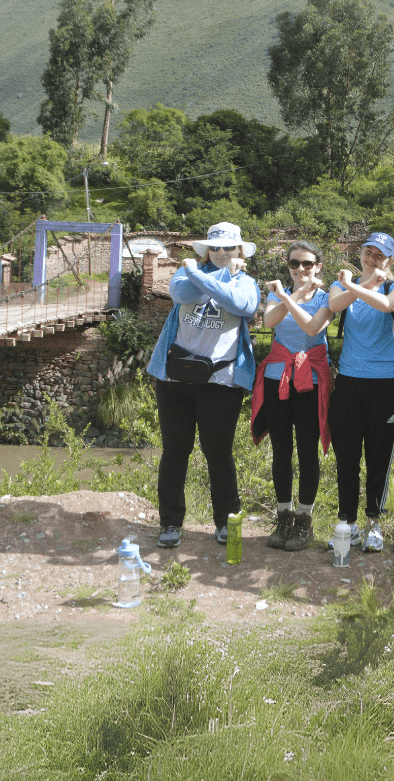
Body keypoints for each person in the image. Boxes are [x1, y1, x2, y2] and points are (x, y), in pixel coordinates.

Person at [148, 222, 261, 549]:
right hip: (175, 379)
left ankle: (227, 522)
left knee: (219, 454)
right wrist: (218, 274)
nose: (223, 253)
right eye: (216, 248)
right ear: (207, 250)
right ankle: (170, 522)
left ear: (240, 250)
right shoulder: (185, 275)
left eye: (229, 248)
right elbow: (182, 294)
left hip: (221, 381)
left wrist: (218, 275)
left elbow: (243, 306)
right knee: (175, 452)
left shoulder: (247, 283)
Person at [325, 231, 394, 554]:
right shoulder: (340, 286)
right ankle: (348, 524)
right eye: (369, 253)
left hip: (386, 381)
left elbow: (390, 305)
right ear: (360, 254)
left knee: (379, 453)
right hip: (349, 380)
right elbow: (335, 304)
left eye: (380, 256)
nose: (373, 260)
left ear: (389, 261)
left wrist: (359, 285)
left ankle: (374, 522)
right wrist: (355, 286)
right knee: (346, 455)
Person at [250, 240, 332, 553]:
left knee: (307, 451)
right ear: (288, 267)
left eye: (307, 264)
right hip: (277, 379)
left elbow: (312, 330)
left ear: (318, 266)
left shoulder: (327, 297)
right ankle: (283, 515)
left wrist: (287, 295)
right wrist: (292, 293)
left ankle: (304, 519)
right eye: (294, 264)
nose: (300, 269)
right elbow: (270, 322)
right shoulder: (276, 294)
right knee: (281, 449)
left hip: (309, 381)